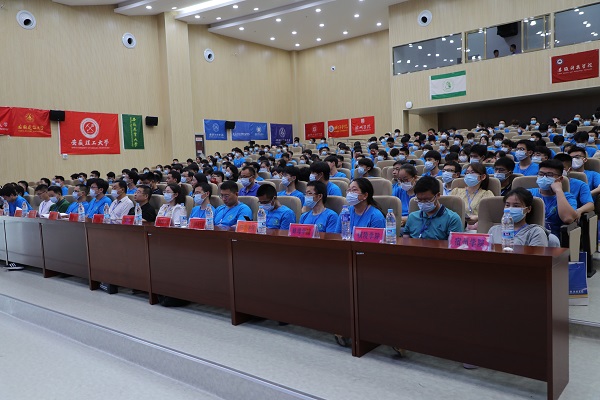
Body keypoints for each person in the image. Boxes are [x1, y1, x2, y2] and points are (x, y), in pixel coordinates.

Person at [528, 160, 578, 238]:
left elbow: (568, 218)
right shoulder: (528, 193)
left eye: (549, 175)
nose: (544, 177)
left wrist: (558, 191)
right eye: (541, 174)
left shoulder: (568, 197)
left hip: (554, 238)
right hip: (530, 236)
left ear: (560, 179)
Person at [450, 163, 494, 230]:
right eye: (467, 173)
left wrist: (478, 217)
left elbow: (492, 214)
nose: (469, 175)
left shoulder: (487, 194)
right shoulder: (456, 191)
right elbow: (448, 210)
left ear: (483, 177)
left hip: (479, 229)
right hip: (456, 227)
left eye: (472, 172)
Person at [553, 153, 594, 219]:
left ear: (570, 169)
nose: (558, 171)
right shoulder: (546, 183)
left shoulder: (580, 185)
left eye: (562, 168)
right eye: (555, 169)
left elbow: (590, 205)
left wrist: (579, 211)